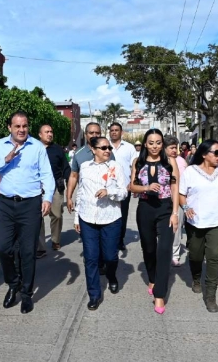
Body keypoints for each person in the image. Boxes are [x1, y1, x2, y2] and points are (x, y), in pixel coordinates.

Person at [0, 111, 55, 314]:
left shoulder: (37, 147)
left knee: (27, 252)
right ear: (10, 128)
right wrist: (5, 160)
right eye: (17, 126)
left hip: (30, 204)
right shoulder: (0, 145)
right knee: (3, 249)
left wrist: (47, 198)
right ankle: (13, 283)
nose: (21, 130)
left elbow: (47, 175)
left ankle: (26, 294)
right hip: (5, 204)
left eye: (24, 126)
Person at [179, 140, 218, 313]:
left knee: (214, 257)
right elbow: (182, 195)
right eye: (216, 153)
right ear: (204, 154)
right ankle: (196, 277)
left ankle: (211, 295)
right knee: (196, 255)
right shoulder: (190, 171)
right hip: (196, 221)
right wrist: (187, 208)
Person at [74, 136, 127, 310]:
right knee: (90, 258)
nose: (107, 151)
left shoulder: (115, 167)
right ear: (93, 149)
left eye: (109, 148)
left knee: (110, 256)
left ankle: (111, 276)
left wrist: (109, 191)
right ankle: (94, 295)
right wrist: (76, 217)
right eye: (103, 148)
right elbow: (80, 193)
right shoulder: (85, 167)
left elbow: (123, 192)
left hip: (110, 218)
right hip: (88, 218)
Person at [129, 129, 179, 314]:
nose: (155, 146)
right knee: (149, 248)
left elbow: (175, 187)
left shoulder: (169, 161)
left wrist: (175, 213)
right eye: (151, 143)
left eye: (158, 142)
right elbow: (131, 186)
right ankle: (152, 277)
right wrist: (146, 187)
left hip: (165, 209)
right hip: (145, 208)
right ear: (145, 144)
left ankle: (159, 294)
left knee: (164, 250)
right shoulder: (138, 162)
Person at [38, 124, 70, 255]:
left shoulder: (57, 149)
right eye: (47, 132)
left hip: (56, 187)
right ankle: (40, 247)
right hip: (38, 188)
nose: (50, 134)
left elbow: (66, 167)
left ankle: (55, 240)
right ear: (40, 135)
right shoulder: (34, 148)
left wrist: (70, 181)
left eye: (51, 131)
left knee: (56, 215)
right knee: (38, 218)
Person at [108, 122, 135, 252]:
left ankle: (120, 240)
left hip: (124, 187)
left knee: (122, 215)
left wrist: (133, 182)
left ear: (121, 132)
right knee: (109, 214)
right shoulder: (104, 147)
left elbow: (135, 165)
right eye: (112, 130)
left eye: (116, 130)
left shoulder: (129, 148)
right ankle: (109, 240)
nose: (114, 132)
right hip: (108, 187)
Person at [165, 136, 187, 266]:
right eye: (172, 148)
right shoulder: (159, 161)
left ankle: (175, 254)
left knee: (176, 228)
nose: (175, 150)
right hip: (163, 200)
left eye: (176, 147)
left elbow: (185, 182)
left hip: (178, 200)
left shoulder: (182, 161)